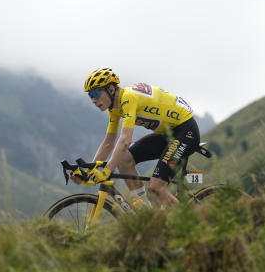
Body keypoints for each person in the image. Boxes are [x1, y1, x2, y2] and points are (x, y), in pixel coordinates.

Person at [81, 68, 200, 206]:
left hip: (185, 131)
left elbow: (125, 140)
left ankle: (191, 226)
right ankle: (145, 210)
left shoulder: (128, 98)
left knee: (156, 187)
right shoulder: (114, 109)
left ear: (111, 89)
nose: (93, 100)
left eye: (96, 93)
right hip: (168, 133)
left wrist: (107, 171)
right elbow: (108, 143)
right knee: (123, 159)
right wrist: (89, 170)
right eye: (90, 95)